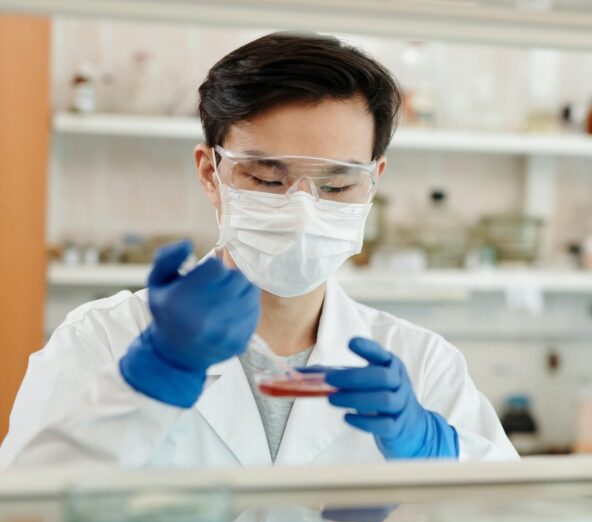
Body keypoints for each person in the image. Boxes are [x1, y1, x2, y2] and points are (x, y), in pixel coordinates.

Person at [1, 33, 517, 468]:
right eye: (269, 179)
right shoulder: (104, 339)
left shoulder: (423, 366)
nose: (302, 210)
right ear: (211, 172)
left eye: (336, 186)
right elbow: (18, 521)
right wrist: (148, 385)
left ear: (374, 181)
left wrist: (438, 451)